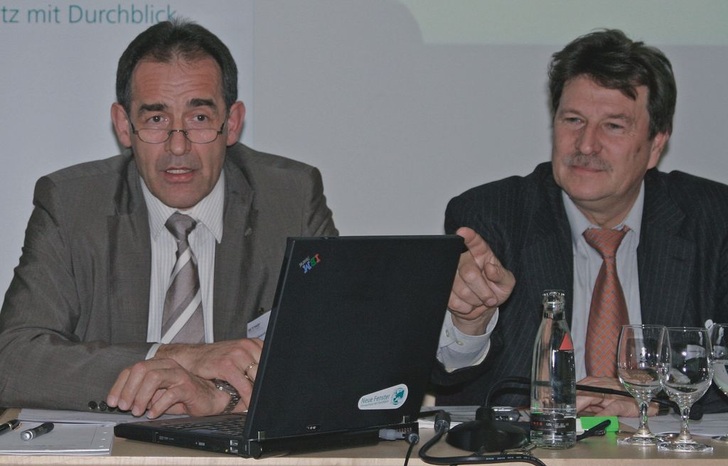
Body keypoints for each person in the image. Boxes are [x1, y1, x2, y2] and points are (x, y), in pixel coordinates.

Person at [0, 19, 339, 418]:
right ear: (124, 125)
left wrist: (222, 395)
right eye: (156, 119)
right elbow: (13, 359)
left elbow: (337, 348)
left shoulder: (291, 198)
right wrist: (178, 358)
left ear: (231, 123)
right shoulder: (73, 205)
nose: (178, 147)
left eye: (198, 118)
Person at [437, 29, 728, 416]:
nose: (586, 145)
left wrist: (649, 406)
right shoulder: (491, 216)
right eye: (573, 119)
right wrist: (469, 321)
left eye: (613, 126)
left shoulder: (714, 220)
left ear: (656, 144)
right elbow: (454, 382)